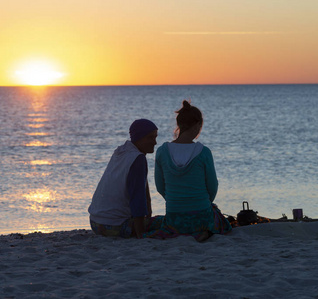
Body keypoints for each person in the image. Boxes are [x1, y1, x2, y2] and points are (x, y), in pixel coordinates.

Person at [146, 100, 232, 241]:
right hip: (201, 216)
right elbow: (212, 187)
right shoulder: (203, 152)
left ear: (179, 125)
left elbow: (160, 187)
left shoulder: (162, 151)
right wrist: (202, 203)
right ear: (198, 125)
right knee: (218, 216)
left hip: (175, 217)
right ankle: (203, 232)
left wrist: (177, 201)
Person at [88, 119, 158, 238]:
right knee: (167, 223)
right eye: (150, 138)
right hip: (114, 226)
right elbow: (137, 199)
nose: (155, 142)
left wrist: (149, 212)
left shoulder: (121, 152)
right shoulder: (137, 158)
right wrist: (141, 233)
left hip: (95, 223)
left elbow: (143, 188)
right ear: (139, 138)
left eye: (155, 137)